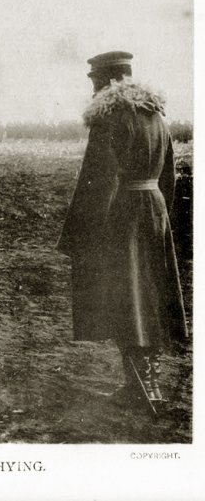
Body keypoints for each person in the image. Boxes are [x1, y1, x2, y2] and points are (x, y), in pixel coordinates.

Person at [57, 51, 188, 413]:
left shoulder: (109, 118)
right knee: (149, 296)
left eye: (96, 82)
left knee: (125, 297)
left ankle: (139, 387)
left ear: (109, 82)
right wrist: (160, 216)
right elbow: (168, 177)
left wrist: (80, 235)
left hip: (123, 215)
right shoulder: (156, 116)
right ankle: (148, 379)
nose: (94, 90)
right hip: (154, 211)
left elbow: (96, 181)